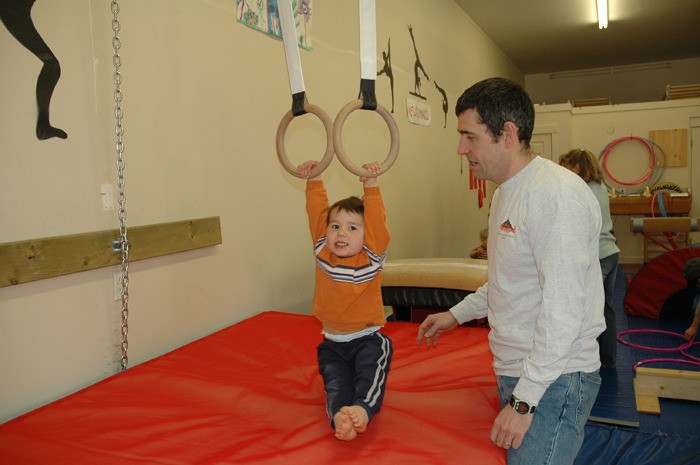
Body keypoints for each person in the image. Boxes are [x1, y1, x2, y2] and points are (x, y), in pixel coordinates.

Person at [416, 77, 605, 465]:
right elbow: (506, 280)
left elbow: (563, 309)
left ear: (508, 133)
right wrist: (455, 314)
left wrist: (524, 401)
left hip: (556, 378)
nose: (460, 148)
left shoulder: (555, 195)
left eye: (469, 137)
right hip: (519, 369)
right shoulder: (505, 192)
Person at [298, 159, 393, 442]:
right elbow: (317, 214)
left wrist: (371, 187)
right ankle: (340, 414)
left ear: (366, 237)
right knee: (334, 384)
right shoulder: (321, 251)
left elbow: (376, 224)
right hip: (332, 343)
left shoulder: (372, 257)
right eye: (336, 226)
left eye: (353, 228)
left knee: (370, 374)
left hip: (367, 338)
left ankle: (363, 410)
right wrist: (314, 181)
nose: (341, 233)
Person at [559, 149, 621, 368]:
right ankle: (608, 360)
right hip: (611, 252)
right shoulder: (601, 187)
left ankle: (587, 362)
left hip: (599, 256)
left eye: (565, 167)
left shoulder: (581, 189)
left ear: (576, 168)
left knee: (587, 310)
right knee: (606, 308)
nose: (562, 172)